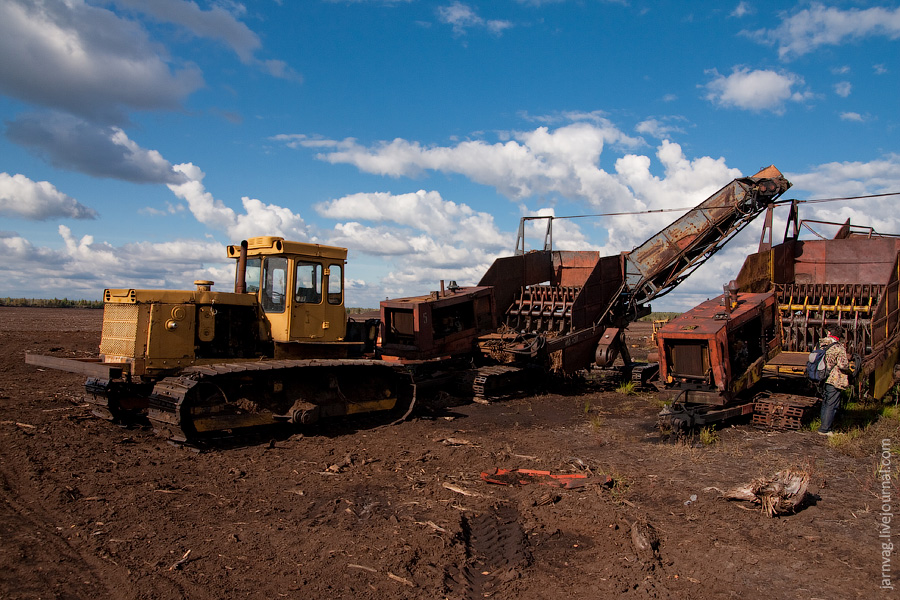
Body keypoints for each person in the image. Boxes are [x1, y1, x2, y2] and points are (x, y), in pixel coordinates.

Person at [817, 325, 851, 436]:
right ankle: (825, 429)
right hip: (834, 379)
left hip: (822, 376)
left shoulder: (820, 344)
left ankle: (823, 426)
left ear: (829, 333)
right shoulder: (838, 347)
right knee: (832, 404)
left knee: (826, 402)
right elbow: (843, 365)